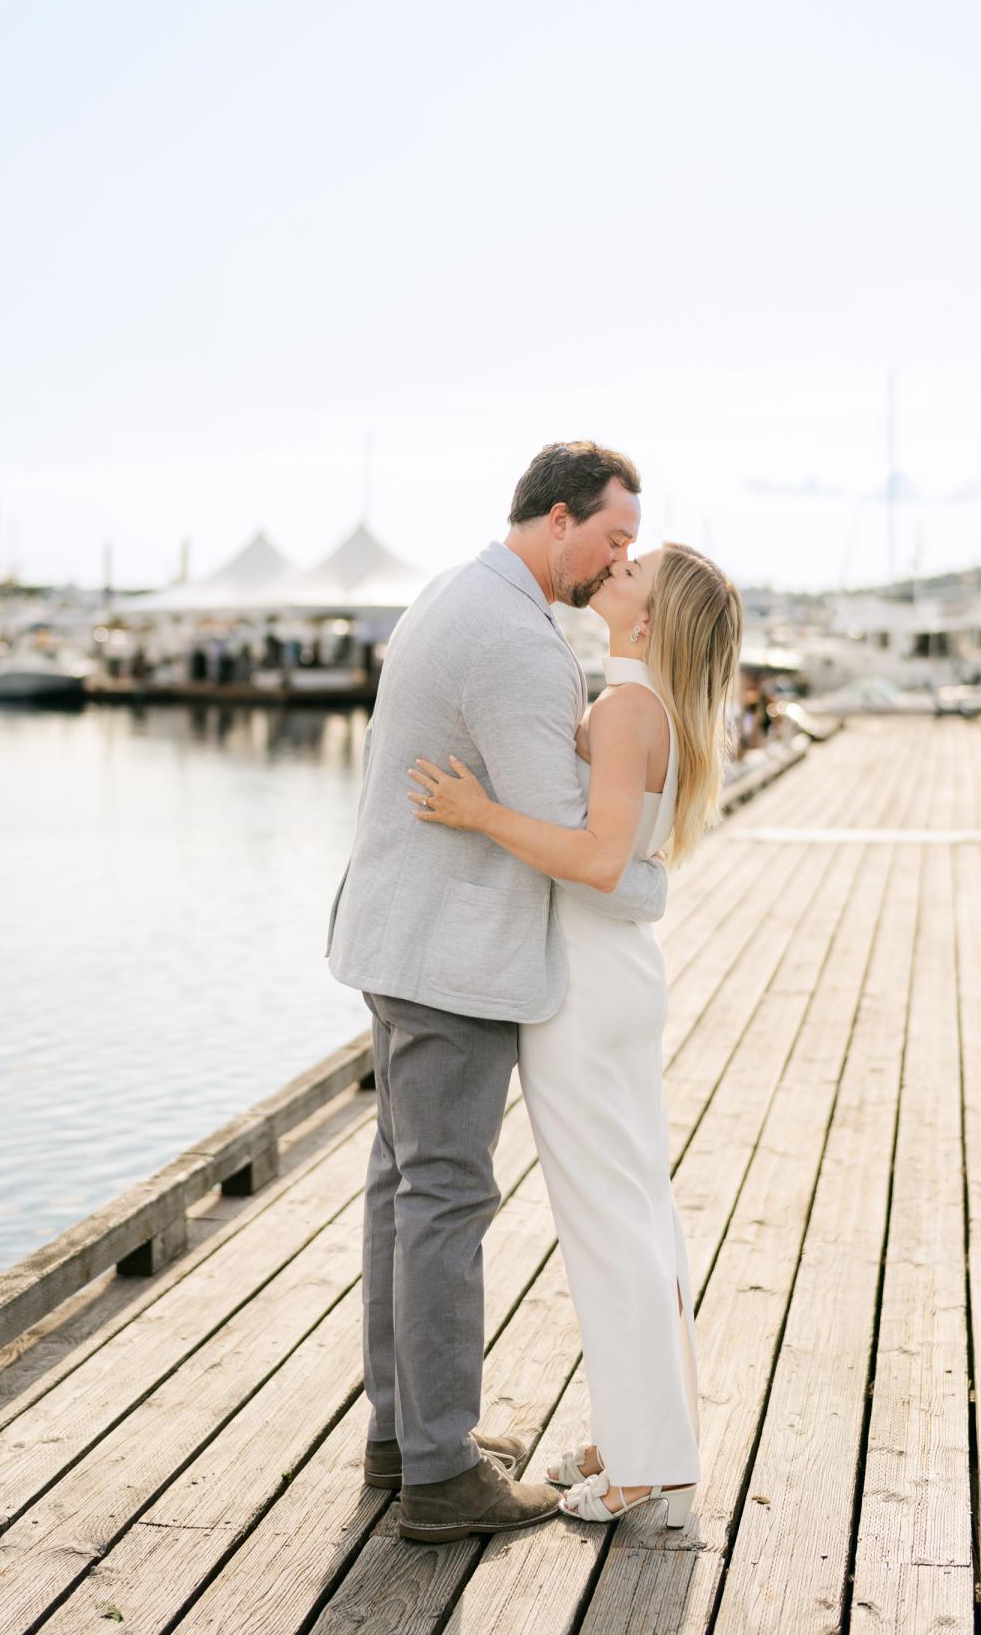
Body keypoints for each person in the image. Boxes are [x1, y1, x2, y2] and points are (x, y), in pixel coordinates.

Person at [326, 442, 669, 1543]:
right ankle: (438, 1475)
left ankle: (405, 1438)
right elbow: (571, 829)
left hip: (398, 939)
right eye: (614, 536)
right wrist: (642, 846)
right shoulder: (519, 645)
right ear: (559, 519)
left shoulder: (453, 591)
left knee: (406, 1191)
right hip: (453, 960)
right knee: (444, 1204)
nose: (619, 557)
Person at [409, 538, 742, 1531]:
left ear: (651, 618)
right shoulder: (655, 709)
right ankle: (641, 1437)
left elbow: (598, 860)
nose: (620, 566)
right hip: (617, 982)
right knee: (637, 1214)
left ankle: (642, 1466)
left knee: (610, 1227)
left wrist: (480, 812)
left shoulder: (625, 708)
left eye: (639, 570)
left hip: (588, 986)